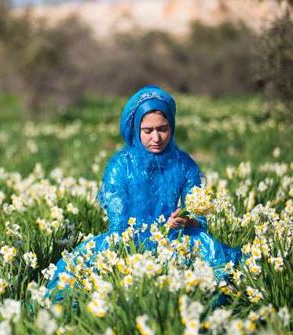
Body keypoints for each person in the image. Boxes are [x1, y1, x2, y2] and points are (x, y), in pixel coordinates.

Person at [46, 85, 241, 295]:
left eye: (163, 129)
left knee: (217, 277)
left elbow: (197, 216)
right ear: (136, 130)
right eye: (148, 131)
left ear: (172, 127)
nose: (156, 138)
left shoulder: (184, 164)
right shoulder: (120, 166)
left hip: (176, 241)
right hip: (131, 242)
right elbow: (119, 226)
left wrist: (185, 220)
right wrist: (159, 232)